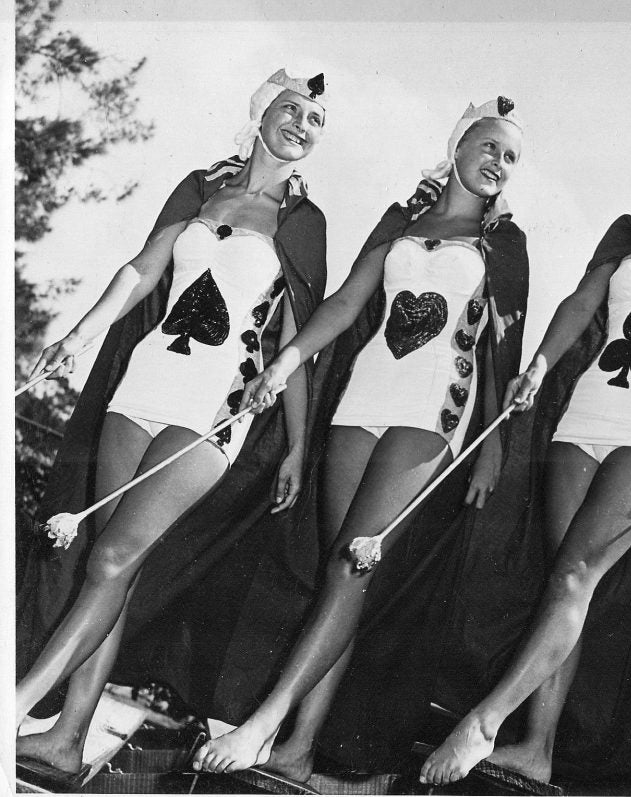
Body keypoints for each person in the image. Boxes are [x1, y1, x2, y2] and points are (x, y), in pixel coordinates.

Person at [191, 97, 529, 778]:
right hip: (362, 400)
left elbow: (504, 345)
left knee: (354, 564)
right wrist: (286, 361)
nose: (499, 163)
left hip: (433, 414)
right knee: (342, 576)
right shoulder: (405, 219)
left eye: (511, 157)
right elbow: (347, 301)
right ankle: (298, 747)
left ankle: (265, 723)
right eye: (489, 146)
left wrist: (493, 441)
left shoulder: (506, 240)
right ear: (459, 145)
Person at [15, 69, 330, 783]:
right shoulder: (203, 188)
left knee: (113, 559)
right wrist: (77, 334)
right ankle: (66, 740)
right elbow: (141, 269)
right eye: (291, 110)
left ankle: (17, 704)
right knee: (110, 565)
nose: (302, 126)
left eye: (315, 121)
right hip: (145, 380)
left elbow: (297, 344)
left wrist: (297, 445)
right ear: (261, 113)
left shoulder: (302, 222)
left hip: (214, 406)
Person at [420, 123, 631, 786]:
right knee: (565, 581)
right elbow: (582, 300)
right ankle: (538, 748)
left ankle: (483, 724)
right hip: (586, 414)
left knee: (575, 573)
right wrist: (540, 366)